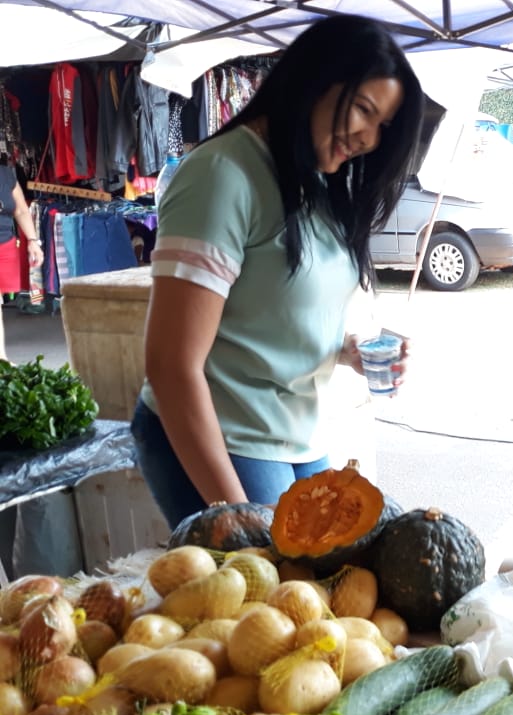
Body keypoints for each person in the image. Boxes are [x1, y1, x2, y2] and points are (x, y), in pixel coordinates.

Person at [131, 15, 426, 529]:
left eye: (382, 126)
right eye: (363, 110)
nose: (369, 139)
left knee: (317, 591)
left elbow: (273, 310)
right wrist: (237, 516)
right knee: (271, 597)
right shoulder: (222, 174)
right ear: (316, 79)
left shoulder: (316, 177)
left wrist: (346, 350)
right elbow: (171, 366)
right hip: (224, 435)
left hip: (297, 435)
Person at [0, 165, 44, 361]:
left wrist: (33, 241)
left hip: (4, 243)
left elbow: (21, 211)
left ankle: (1, 360)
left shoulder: (6, 174)